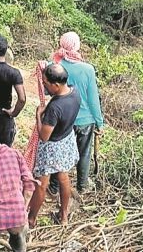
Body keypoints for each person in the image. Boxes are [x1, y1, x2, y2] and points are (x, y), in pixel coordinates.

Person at [46, 32, 105, 195]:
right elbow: (93, 99)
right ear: (77, 46)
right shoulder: (87, 69)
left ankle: (54, 187)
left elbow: (48, 91)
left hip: (63, 118)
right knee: (84, 153)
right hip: (85, 121)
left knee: (59, 151)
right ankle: (82, 185)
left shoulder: (55, 65)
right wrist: (100, 122)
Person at [28, 64, 81, 227]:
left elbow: (44, 137)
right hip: (66, 140)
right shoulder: (74, 92)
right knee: (63, 177)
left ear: (56, 85)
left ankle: (31, 219)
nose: (44, 85)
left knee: (42, 184)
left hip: (52, 146)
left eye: (45, 83)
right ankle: (64, 215)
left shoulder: (55, 108)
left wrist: (38, 115)